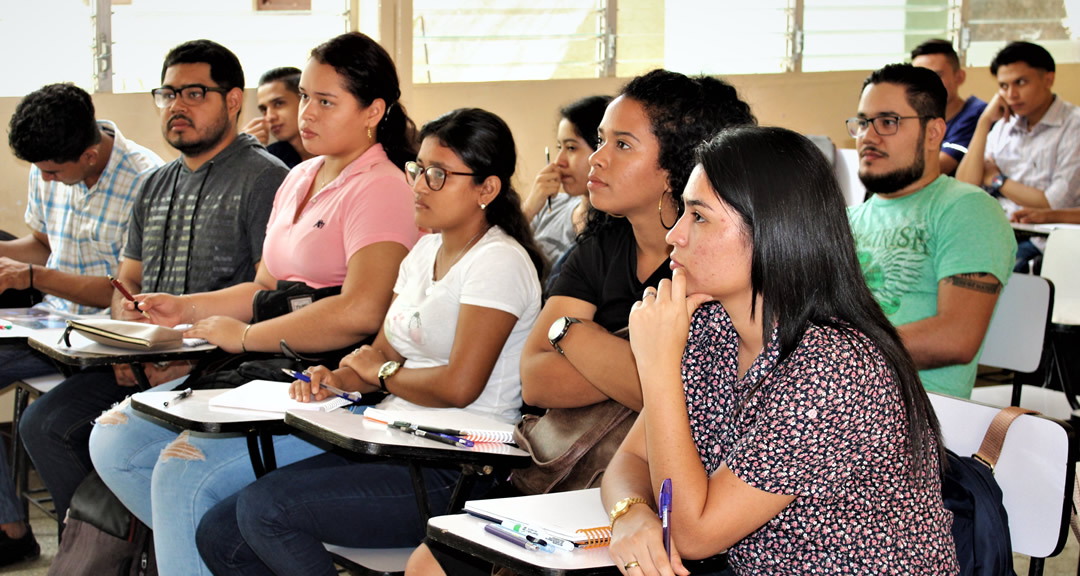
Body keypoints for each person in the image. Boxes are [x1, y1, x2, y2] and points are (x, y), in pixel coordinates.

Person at [89, 32, 421, 576]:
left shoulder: (381, 187)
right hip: (267, 368)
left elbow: (360, 312)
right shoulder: (299, 177)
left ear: (374, 111)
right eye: (306, 97)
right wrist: (187, 308)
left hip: (329, 383)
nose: (306, 113)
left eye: (326, 101)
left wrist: (243, 338)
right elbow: (264, 288)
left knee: (181, 473)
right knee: (115, 439)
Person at [408, 69, 756, 576]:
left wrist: (574, 338)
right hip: (570, 476)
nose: (597, 159)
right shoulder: (598, 247)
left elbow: (677, 391)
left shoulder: (712, 266)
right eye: (599, 141)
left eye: (622, 144)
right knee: (429, 564)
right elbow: (537, 378)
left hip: (667, 494)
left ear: (672, 168)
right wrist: (600, 345)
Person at [195, 107, 544, 575]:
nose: (418, 185)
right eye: (417, 169)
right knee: (219, 534)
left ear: (487, 188)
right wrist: (335, 380)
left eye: (438, 175)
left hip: (457, 466)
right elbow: (380, 351)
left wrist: (380, 375)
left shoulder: (499, 261)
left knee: (267, 511)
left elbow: (460, 385)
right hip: (394, 440)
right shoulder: (424, 250)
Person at [603, 125, 959, 576]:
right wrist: (630, 512)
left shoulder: (836, 369)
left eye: (699, 217)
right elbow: (631, 460)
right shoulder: (711, 324)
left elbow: (692, 535)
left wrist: (657, 367)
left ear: (774, 232)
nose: (674, 235)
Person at [19, 38, 288, 529]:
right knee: (46, 423)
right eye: (168, 94)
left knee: (115, 440)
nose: (177, 107)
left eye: (194, 94)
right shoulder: (155, 184)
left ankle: (155, 542)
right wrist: (129, 347)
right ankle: (102, 544)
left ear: (232, 100)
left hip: (223, 367)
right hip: (144, 361)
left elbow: (269, 297)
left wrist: (183, 352)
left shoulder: (266, 180)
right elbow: (126, 282)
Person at [0, 83, 162, 567]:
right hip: (47, 326)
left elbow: (127, 293)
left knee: (44, 424)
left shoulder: (144, 180)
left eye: (53, 172)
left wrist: (34, 276)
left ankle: (97, 547)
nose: (45, 181)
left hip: (106, 338)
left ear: (90, 155)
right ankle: (9, 526)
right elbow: (42, 244)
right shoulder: (47, 162)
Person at [846, 64, 1015, 398]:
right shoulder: (846, 220)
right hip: (838, 403)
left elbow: (956, 337)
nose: (868, 135)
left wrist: (841, 352)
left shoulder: (965, 208)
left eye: (888, 122)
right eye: (863, 122)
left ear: (935, 133)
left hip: (920, 418)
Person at [956, 41, 1080, 271]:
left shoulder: (1074, 126)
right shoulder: (1003, 125)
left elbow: (1052, 203)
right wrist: (984, 122)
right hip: (992, 230)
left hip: (1040, 239)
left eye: (1020, 83)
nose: (1011, 94)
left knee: (988, 272)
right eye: (1003, 86)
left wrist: (997, 180)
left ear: (1048, 79)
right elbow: (964, 186)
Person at [522, 95, 610, 264]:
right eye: (558, 147)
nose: (559, 161)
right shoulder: (549, 207)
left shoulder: (616, 229)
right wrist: (529, 209)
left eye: (571, 148)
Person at [910, 39, 986, 175]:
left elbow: (938, 167)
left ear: (959, 77)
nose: (927, 84)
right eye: (919, 77)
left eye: (936, 76)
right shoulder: (913, 117)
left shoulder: (977, 114)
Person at [241, 66, 313, 168]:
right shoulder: (270, 159)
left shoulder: (338, 151)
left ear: (304, 100)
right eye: (264, 109)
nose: (269, 117)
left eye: (279, 103)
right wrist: (244, 152)